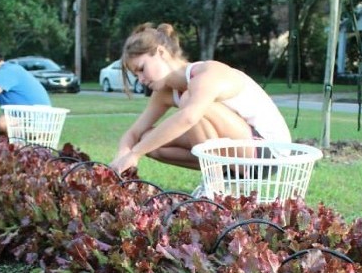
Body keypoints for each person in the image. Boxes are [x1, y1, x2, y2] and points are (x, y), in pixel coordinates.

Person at [110, 23, 291, 175]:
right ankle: (219, 178)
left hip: (268, 152)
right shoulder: (164, 92)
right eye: (136, 75)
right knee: (147, 139)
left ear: (161, 53)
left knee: (190, 101)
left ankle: (215, 187)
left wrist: (135, 153)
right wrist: (122, 155)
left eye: (142, 69)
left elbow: (189, 117)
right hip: (238, 154)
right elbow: (133, 133)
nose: (141, 80)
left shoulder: (207, 73)